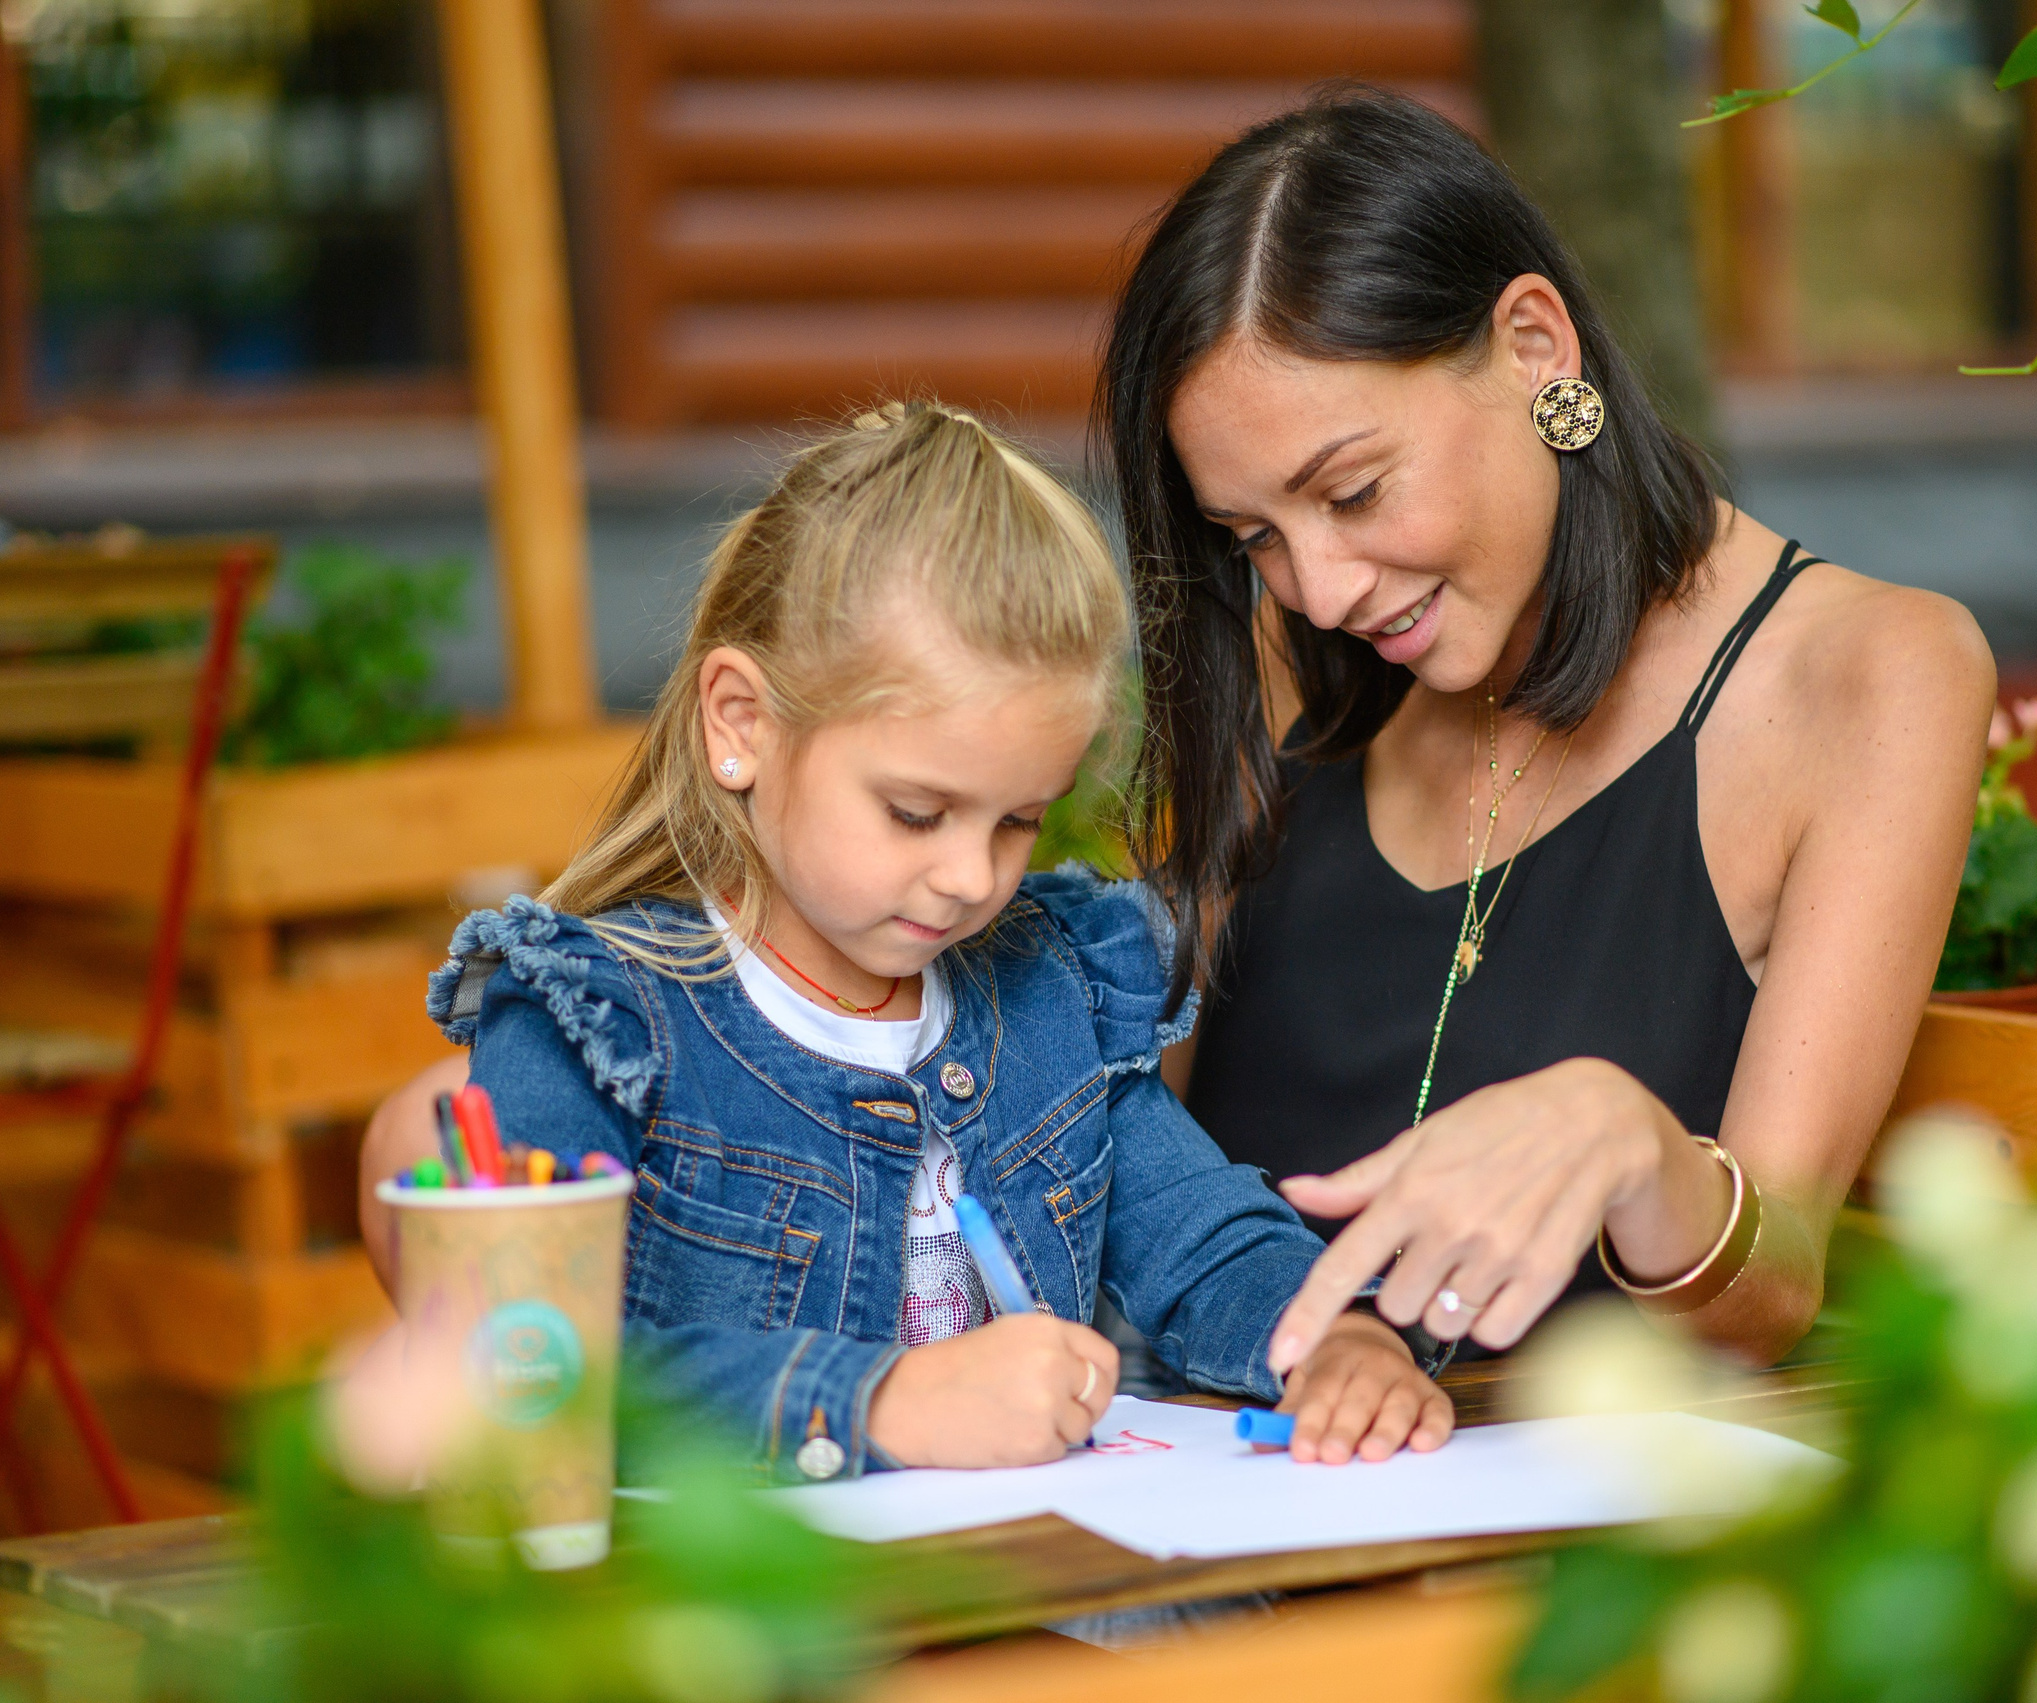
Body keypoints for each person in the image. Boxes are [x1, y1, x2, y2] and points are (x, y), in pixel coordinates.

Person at [1101, 89, 1995, 1375]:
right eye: (1253, 539)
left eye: (1353, 491)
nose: (1322, 586)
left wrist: (1631, 1140)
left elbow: (1774, 1285)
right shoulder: (1297, 652)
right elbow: (1146, 1143)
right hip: (1207, 1478)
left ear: (1533, 348)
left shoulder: (1866, 676)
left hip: (1550, 1538)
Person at [396, 403, 1451, 1478]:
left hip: (1027, 1589)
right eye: (915, 811)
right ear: (741, 724)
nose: (971, 876)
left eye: (1017, 820)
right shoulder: (598, 1018)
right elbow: (532, 1373)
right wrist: (878, 1401)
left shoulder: (1051, 989)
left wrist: (1333, 1338)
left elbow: (1201, 1238)